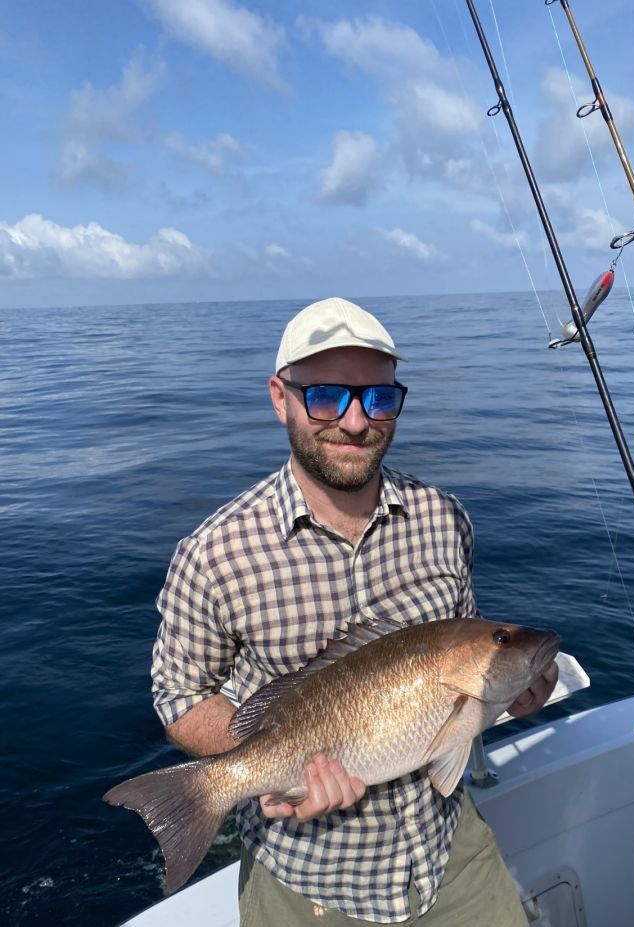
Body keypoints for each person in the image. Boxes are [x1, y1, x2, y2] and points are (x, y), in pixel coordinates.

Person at [151, 296, 559, 926]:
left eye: (377, 398)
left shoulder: (444, 520)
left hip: (449, 858)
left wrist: (523, 687)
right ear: (279, 397)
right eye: (325, 396)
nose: (354, 421)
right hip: (310, 885)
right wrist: (269, 766)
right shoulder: (213, 554)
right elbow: (179, 695)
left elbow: (472, 654)